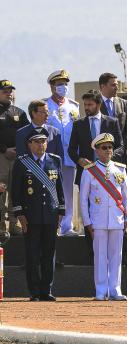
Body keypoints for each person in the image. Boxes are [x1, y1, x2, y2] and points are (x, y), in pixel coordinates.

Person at [11, 130, 64, 301]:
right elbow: (16, 191)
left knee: (49, 255)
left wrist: (61, 212)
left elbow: (59, 188)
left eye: (43, 141)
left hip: (50, 214)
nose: (41, 145)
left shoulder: (55, 160)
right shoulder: (22, 163)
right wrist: (20, 214)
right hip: (31, 216)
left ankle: (46, 290)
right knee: (32, 255)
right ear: (30, 144)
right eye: (37, 142)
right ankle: (34, 291)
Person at [79, 133, 127, 301]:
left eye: (110, 147)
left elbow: (126, 196)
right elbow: (83, 199)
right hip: (98, 220)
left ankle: (115, 289)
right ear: (97, 150)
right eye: (104, 147)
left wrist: (126, 218)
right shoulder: (89, 171)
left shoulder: (120, 169)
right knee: (100, 256)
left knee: (116, 256)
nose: (108, 150)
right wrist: (87, 222)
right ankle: (101, 290)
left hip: (116, 218)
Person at [44, 69, 79, 236]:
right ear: (52, 86)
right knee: (50, 190)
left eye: (65, 84)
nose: (63, 87)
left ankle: (67, 225)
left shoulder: (74, 106)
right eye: (59, 84)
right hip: (51, 155)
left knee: (68, 192)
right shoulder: (45, 105)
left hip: (69, 155)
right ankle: (52, 225)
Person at [68, 90, 124, 186]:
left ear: (98, 104)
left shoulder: (112, 122)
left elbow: (120, 147)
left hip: (108, 173)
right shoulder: (78, 124)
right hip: (85, 173)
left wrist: (108, 157)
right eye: (85, 105)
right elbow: (71, 149)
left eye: (90, 105)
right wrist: (79, 160)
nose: (86, 108)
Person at [0, 79, 29, 235]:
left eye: (11, 91)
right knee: (1, 191)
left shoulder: (19, 112)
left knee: (15, 190)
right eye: (5, 91)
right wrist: (4, 150)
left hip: (17, 157)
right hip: (1, 158)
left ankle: (13, 223)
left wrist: (20, 150)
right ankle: (1, 226)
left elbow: (28, 133)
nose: (9, 94)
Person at [98, 72, 127, 165]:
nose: (116, 88)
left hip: (122, 156)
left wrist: (121, 149)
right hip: (101, 155)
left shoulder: (124, 103)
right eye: (113, 85)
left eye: (117, 85)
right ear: (103, 86)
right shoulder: (95, 103)